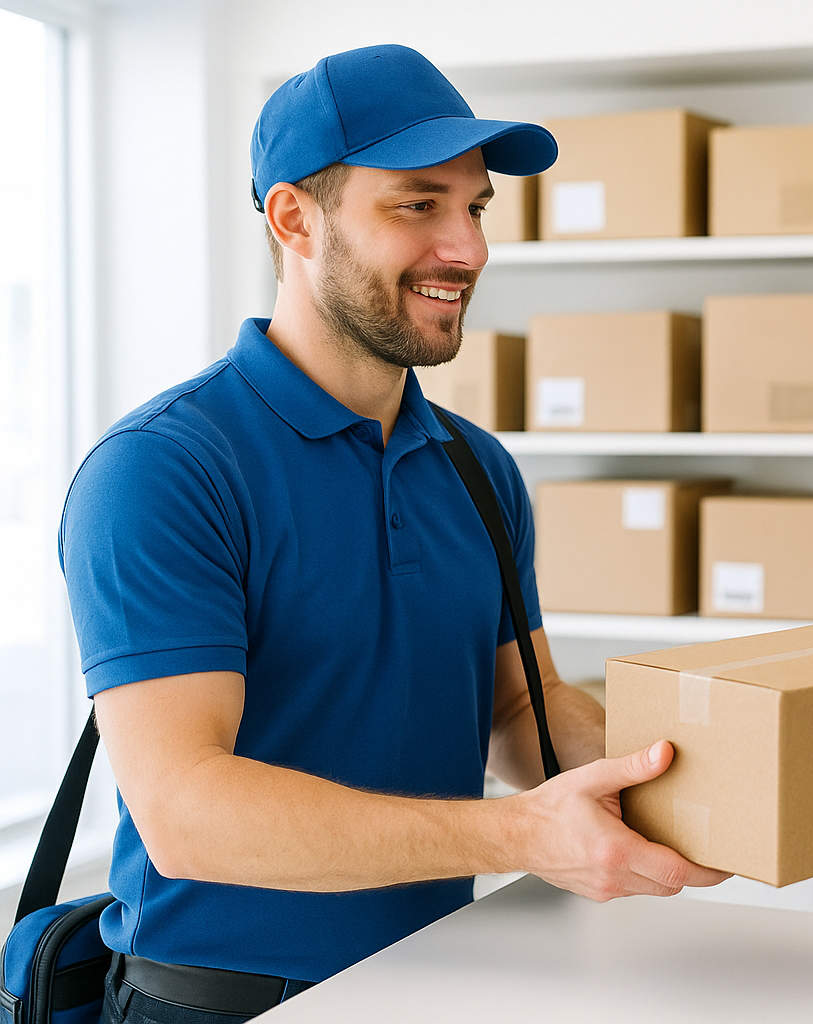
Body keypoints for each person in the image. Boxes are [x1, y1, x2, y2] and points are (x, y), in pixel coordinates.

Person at [59, 43, 726, 1024]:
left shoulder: (475, 465)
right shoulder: (168, 467)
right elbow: (185, 815)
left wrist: (692, 785)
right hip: (221, 1004)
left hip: (439, 979)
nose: (467, 248)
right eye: (419, 205)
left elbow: (517, 714)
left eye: (477, 207)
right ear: (295, 218)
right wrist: (518, 836)